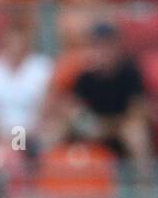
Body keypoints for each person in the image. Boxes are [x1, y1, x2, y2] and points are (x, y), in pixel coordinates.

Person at [65, 22, 152, 170]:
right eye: (96, 46)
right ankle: (42, 184)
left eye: (105, 46)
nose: (101, 52)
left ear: (115, 47)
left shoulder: (130, 73)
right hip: (93, 128)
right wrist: (87, 124)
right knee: (55, 128)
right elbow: (73, 108)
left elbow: (139, 111)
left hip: (120, 128)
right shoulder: (85, 76)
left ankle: (145, 188)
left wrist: (110, 126)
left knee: (136, 134)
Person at [0, 21, 53, 154]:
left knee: (52, 134)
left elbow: (46, 108)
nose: (16, 46)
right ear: (3, 42)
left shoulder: (43, 67)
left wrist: (23, 137)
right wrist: (2, 137)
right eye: (12, 40)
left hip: (34, 133)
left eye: (20, 40)